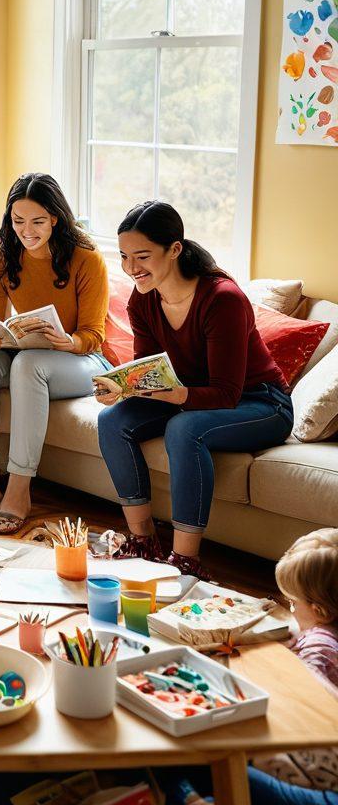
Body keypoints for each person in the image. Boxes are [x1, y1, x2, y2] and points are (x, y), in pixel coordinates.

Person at [95, 201, 293, 578]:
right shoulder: (143, 299)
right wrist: (122, 388)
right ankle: (144, 541)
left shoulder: (222, 299)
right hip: (188, 394)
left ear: (174, 249)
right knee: (111, 420)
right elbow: (150, 370)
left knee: (184, 428)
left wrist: (177, 396)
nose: (132, 268)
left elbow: (225, 394)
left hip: (260, 403)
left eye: (142, 256)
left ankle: (185, 560)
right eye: (123, 256)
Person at [0, 173, 110, 535]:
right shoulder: (0, 258)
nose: (26, 231)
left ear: (56, 219)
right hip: (27, 351)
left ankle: (18, 492)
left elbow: (94, 335)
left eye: (38, 222)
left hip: (80, 360)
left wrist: (68, 342)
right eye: (18, 221)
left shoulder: (86, 259)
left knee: (28, 365)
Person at [160, 528, 338, 805]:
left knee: (185, 745)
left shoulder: (320, 645)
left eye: (293, 603)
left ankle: (192, 802)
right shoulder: (322, 636)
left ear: (320, 610)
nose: (290, 610)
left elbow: (299, 706)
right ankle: (197, 803)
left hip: (304, 760)